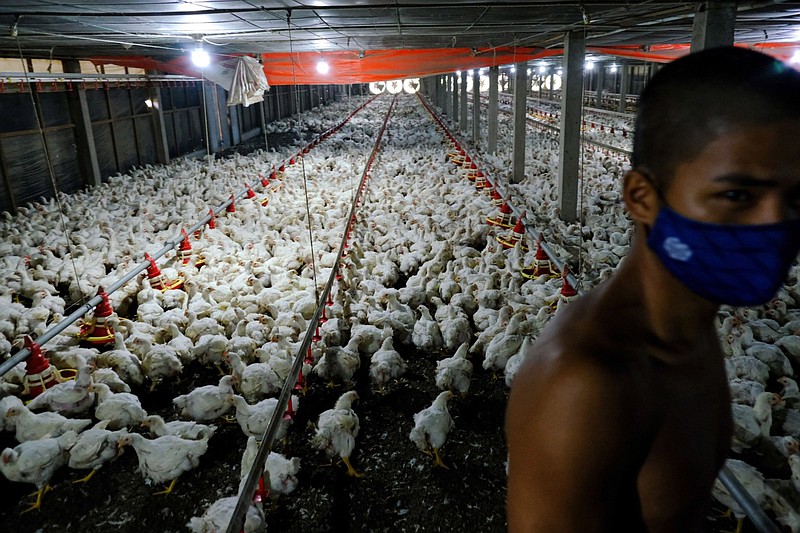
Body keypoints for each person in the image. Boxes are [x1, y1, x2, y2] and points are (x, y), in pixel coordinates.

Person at [505, 46, 800, 532]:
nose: (775, 224)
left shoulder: (691, 331)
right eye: (736, 195)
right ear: (642, 198)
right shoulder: (588, 386)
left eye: (796, 196)